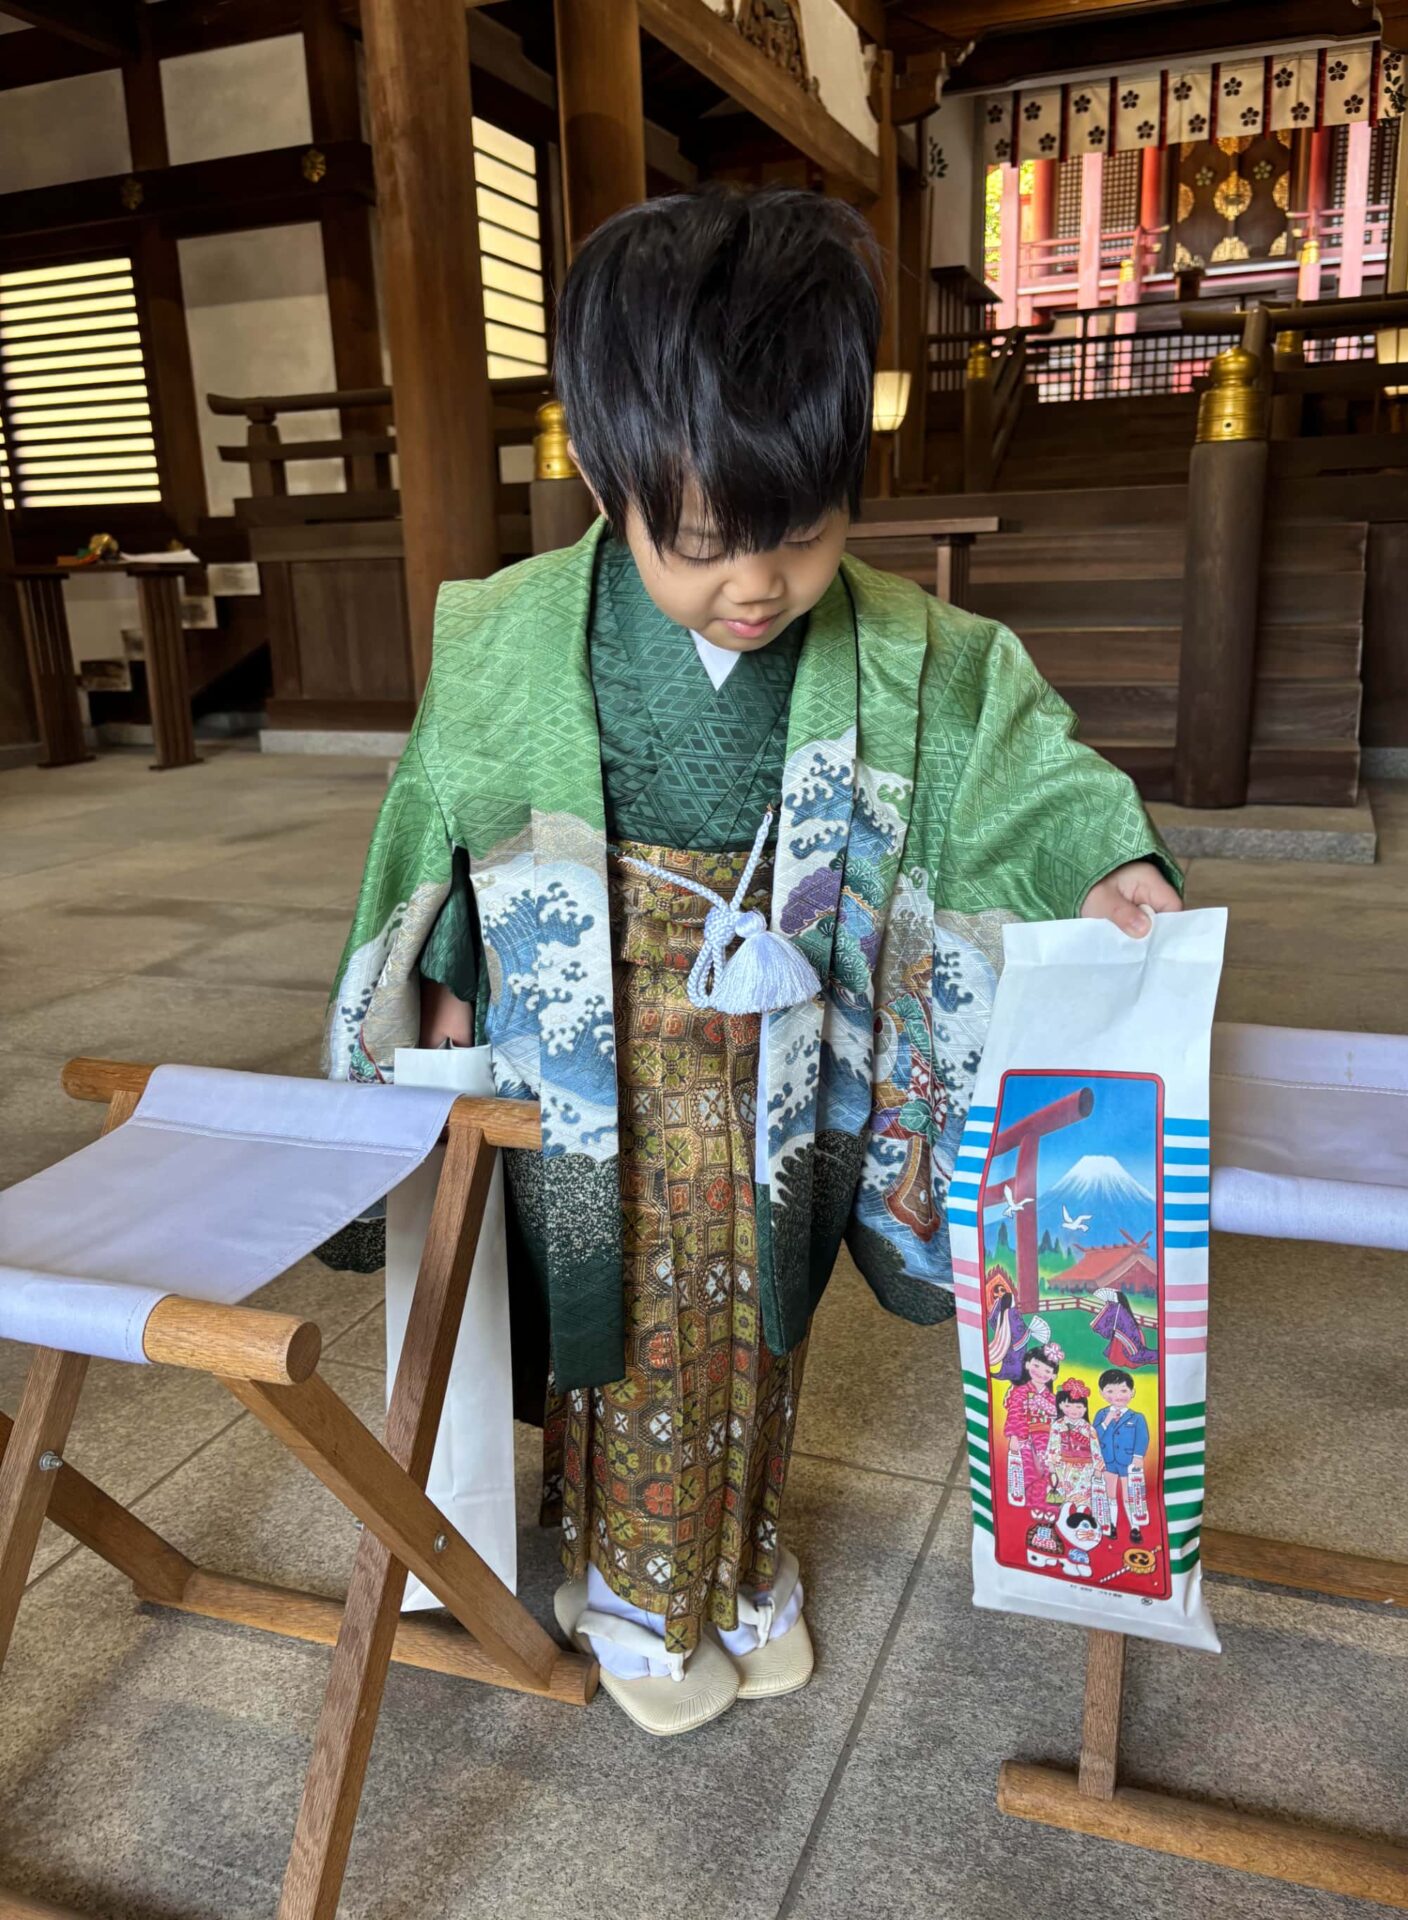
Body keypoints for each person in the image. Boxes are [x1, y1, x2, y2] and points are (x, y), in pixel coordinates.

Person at [325, 186, 1183, 1736]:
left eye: (804, 533)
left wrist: (1099, 856)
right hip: (599, 1072)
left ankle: (738, 1561)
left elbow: (1018, 757)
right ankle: (642, 1595)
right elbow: (437, 825)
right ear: (609, 475)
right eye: (708, 543)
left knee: (761, 1321)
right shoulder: (514, 636)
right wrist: (441, 982)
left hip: (788, 1064)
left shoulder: (910, 648)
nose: (761, 587)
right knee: (635, 1319)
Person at [1002, 1342, 1064, 1510]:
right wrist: (1015, 1436)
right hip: (1024, 1437)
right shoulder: (1020, 1391)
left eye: (1047, 1370)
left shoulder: (1053, 1398)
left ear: (1053, 1376)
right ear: (1028, 1364)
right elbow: (1015, 1413)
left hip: (1046, 1439)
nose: (1041, 1373)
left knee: (1050, 1472)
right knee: (1025, 1470)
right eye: (1037, 1366)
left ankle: (1047, 1505)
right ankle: (1028, 1503)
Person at [1094, 1366, 1151, 1543]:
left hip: (1128, 1462)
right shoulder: (1102, 1414)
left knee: (1129, 1495)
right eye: (1110, 1391)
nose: (1117, 1395)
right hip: (1107, 1460)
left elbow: (1143, 1438)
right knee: (1110, 1494)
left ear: (1132, 1392)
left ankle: (1135, 1527)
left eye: (1123, 1390)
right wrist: (1107, 1420)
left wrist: (1138, 1457)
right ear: (1102, 1393)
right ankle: (1111, 1524)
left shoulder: (1137, 1417)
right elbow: (1094, 1435)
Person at [1045, 1377, 1106, 1512]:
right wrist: (1052, 1466)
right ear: (1060, 1406)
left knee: (1082, 1500)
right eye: (1068, 1406)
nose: (1074, 1410)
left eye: (1079, 1406)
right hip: (1063, 1467)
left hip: (1085, 1469)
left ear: (1085, 1408)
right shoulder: (1057, 1425)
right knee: (1064, 1501)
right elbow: (1053, 1446)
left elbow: (1096, 1450)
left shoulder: (1088, 1429)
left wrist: (1097, 1469)